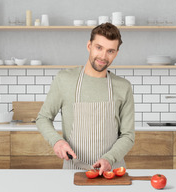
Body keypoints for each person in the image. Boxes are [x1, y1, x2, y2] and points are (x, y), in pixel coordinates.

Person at [36, 23, 135, 175]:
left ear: (116, 53)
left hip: (111, 172)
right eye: (99, 47)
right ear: (89, 46)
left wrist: (109, 158)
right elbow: (43, 118)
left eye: (110, 51)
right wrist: (57, 141)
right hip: (73, 171)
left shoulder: (123, 87)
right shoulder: (64, 80)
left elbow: (128, 135)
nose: (103, 56)